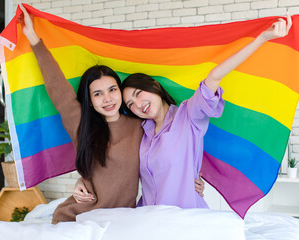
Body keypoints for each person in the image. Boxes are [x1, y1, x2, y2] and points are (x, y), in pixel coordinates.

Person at [19, 4, 205, 223]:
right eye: (97, 94)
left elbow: (176, 146)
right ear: (90, 101)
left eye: (112, 90)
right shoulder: (81, 123)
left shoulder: (140, 126)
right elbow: (57, 88)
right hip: (80, 216)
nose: (107, 99)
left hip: (123, 218)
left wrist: (190, 178)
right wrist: (33, 38)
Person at [120, 15, 292, 208]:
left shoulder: (187, 115)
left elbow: (214, 77)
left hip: (186, 218)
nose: (137, 104)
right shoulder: (141, 134)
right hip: (148, 218)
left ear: (154, 86)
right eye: (130, 104)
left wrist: (261, 39)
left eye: (138, 93)